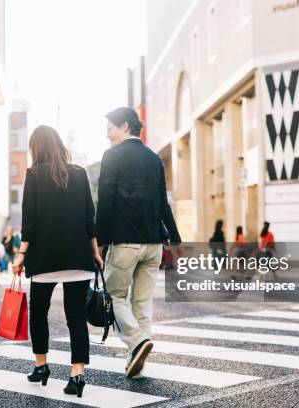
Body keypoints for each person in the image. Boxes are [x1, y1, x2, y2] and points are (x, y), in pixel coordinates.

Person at [12, 125, 103, 398]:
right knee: (76, 316)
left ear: (36, 148)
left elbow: (30, 221)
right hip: (78, 255)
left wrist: (20, 256)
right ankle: (77, 374)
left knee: (38, 311)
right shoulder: (79, 174)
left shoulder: (34, 174)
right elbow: (90, 217)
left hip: (44, 257)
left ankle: (42, 367)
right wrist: (95, 252)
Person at [96, 108, 181, 379]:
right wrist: (176, 239)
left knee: (116, 296)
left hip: (125, 242)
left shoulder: (112, 156)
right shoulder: (154, 159)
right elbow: (163, 204)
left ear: (124, 126)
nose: (107, 135)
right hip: (154, 243)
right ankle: (138, 360)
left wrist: (100, 242)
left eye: (110, 128)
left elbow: (106, 202)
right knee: (142, 301)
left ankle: (137, 343)